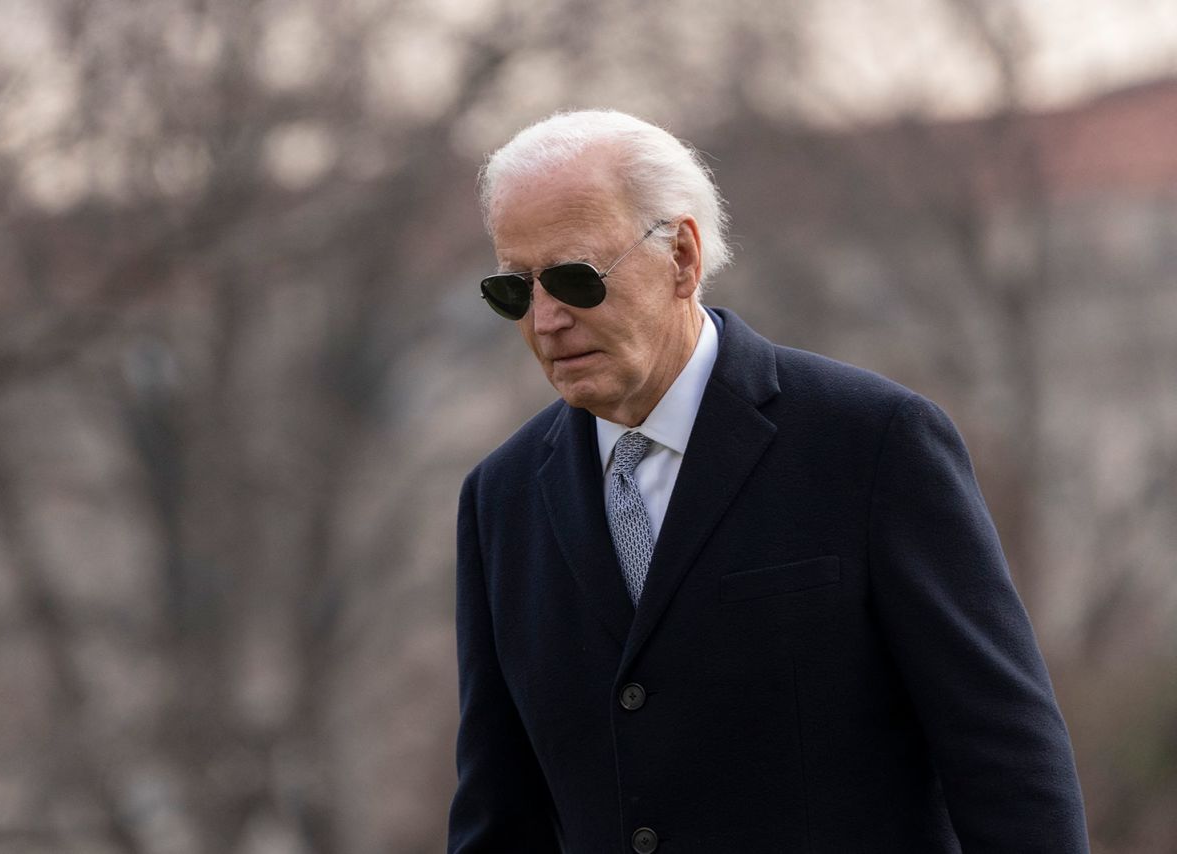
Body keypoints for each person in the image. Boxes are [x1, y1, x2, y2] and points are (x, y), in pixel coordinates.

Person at [448, 110, 1088, 853]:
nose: (547, 318)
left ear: (682, 257)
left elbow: (1009, 769)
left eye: (572, 278)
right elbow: (499, 815)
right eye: (514, 290)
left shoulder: (874, 442)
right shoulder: (501, 500)